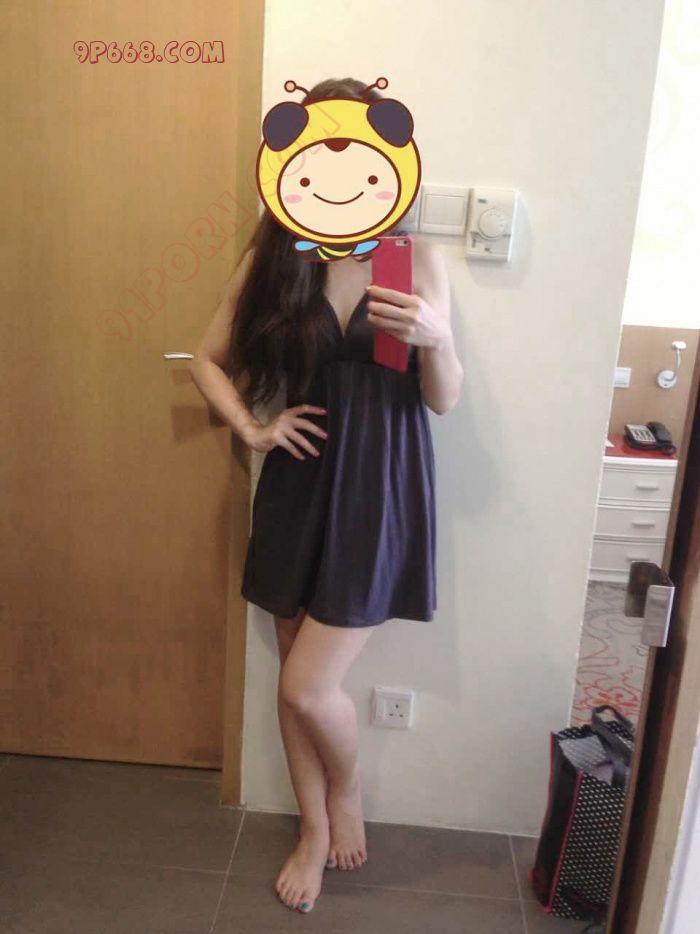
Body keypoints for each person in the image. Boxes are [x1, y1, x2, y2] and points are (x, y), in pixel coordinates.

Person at [189, 77, 463, 915]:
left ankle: (346, 789)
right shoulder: (279, 256)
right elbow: (205, 359)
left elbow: (444, 399)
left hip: (380, 485)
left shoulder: (411, 259)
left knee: (308, 687)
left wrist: (436, 338)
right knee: (290, 679)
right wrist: (254, 428)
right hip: (300, 477)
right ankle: (313, 828)